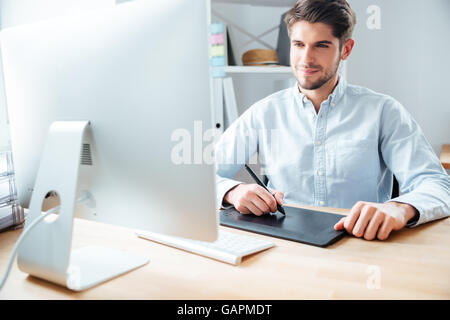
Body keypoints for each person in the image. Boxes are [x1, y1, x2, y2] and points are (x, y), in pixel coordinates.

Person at [214, 0, 450, 241]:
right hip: (286, 249)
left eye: (321, 45)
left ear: (345, 49)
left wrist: (399, 209)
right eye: (298, 44)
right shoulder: (263, 113)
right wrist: (232, 191)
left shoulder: (384, 112)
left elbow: (437, 185)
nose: (306, 58)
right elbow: (201, 175)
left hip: (360, 244)